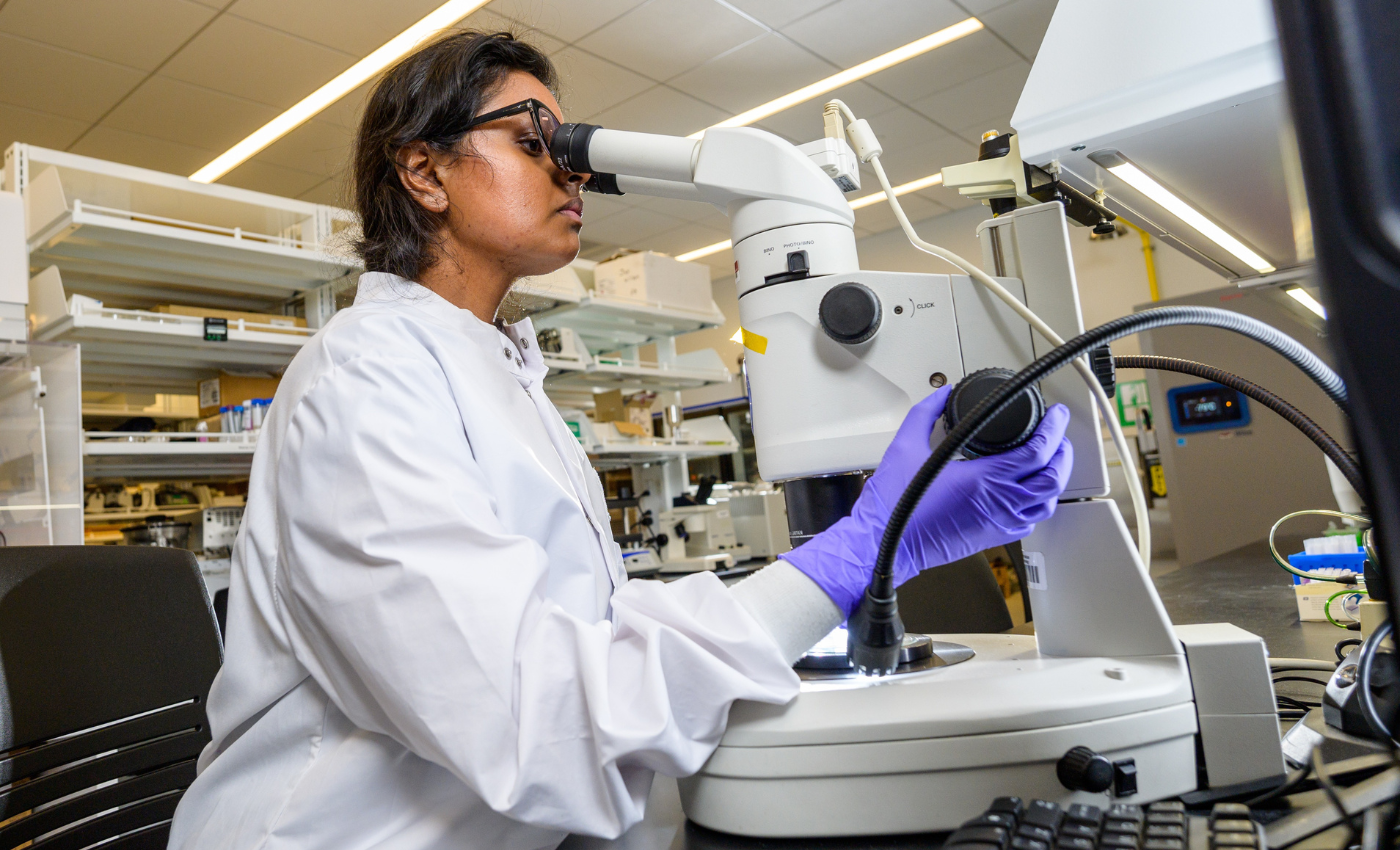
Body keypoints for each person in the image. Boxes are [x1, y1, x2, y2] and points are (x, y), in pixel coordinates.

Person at [167, 30, 1073, 850]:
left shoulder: (504, 373)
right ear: (425, 172)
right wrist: (858, 549)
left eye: (569, 147)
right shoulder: (365, 376)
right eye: (535, 141)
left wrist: (850, 567)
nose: (574, 173)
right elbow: (530, 714)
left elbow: (599, 625)